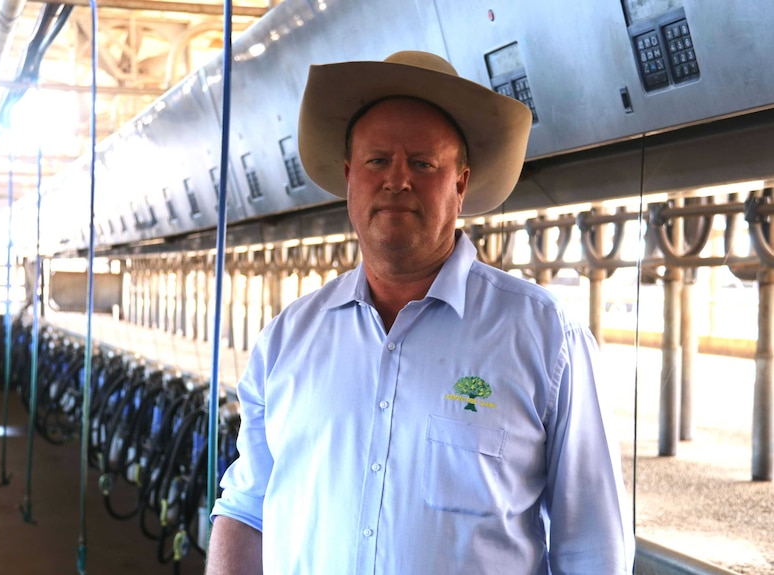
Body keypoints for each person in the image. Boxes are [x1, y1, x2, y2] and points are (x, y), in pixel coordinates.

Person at [206, 50, 634, 574]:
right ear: (349, 177)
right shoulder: (286, 340)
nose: (397, 180)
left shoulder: (545, 338)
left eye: (423, 163)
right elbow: (247, 509)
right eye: (377, 160)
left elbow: (593, 547)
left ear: (460, 184)